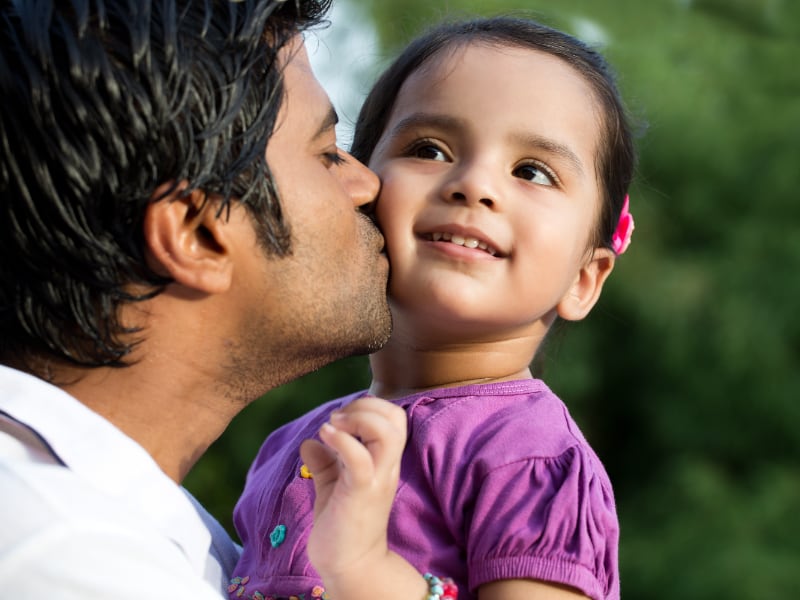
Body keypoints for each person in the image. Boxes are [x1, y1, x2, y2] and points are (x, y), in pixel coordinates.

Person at [229, 15, 638, 600]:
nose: (473, 184)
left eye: (532, 171)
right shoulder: (290, 443)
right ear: (359, 194)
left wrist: (366, 570)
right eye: (429, 149)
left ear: (584, 278)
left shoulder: (531, 458)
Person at [0, 0, 395, 598]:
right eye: (325, 153)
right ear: (196, 234)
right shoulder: (66, 553)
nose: (367, 184)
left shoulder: (148, 530)